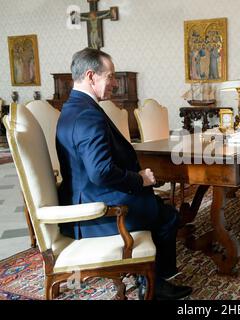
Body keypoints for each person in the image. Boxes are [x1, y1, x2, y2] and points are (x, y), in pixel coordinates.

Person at [56, 48, 192, 300]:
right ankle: (155, 285)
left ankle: (147, 275)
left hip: (88, 196)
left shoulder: (74, 107)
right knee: (169, 216)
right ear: (90, 76)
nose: (116, 83)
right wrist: (139, 179)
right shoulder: (86, 114)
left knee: (156, 203)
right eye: (111, 76)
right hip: (94, 212)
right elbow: (100, 171)